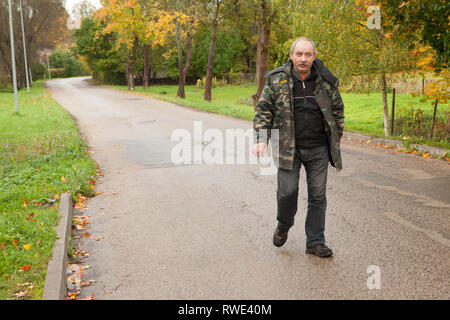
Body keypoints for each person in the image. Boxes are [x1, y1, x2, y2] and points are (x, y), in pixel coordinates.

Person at [253, 37, 345, 258]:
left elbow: (338, 110)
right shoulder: (277, 80)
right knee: (287, 192)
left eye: (308, 55)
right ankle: (284, 224)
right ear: (291, 55)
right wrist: (261, 138)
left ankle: (315, 241)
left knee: (318, 195)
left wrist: (334, 139)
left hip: (318, 149)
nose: (303, 59)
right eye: (299, 54)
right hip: (287, 148)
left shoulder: (326, 81)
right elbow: (263, 109)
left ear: (314, 57)